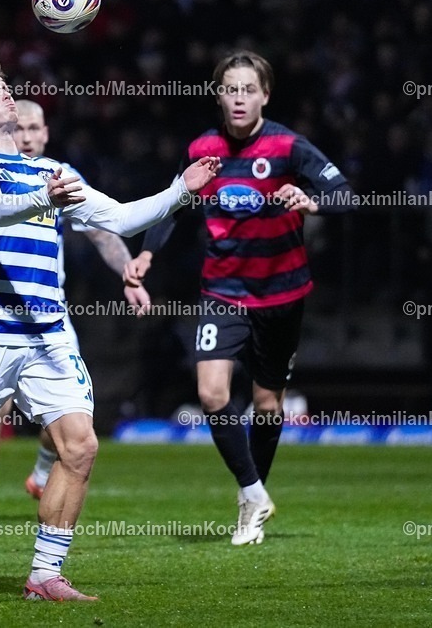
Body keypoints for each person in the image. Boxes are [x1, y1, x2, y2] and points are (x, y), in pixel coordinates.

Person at [0, 55, 219, 602]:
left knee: (80, 447)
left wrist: (181, 188)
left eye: (5, 85)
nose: (6, 93)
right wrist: (43, 197)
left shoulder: (54, 172)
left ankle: (44, 575)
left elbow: (120, 219)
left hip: (48, 336)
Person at [124, 50, 354, 546]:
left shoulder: (288, 147)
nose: (239, 98)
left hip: (282, 293)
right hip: (223, 290)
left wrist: (312, 202)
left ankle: (253, 500)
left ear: (265, 95)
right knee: (212, 393)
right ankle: (252, 493)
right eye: (231, 89)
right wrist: (145, 255)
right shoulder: (202, 149)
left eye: (249, 89)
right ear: (219, 95)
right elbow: (174, 205)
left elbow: (345, 194)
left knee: (268, 405)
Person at [0, 99, 152, 532]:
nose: (28, 135)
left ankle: (39, 475)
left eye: (36, 128)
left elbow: (102, 232)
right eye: (21, 128)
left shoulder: (58, 175)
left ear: (47, 133)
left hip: (49, 314)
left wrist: (128, 272)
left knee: (71, 421)